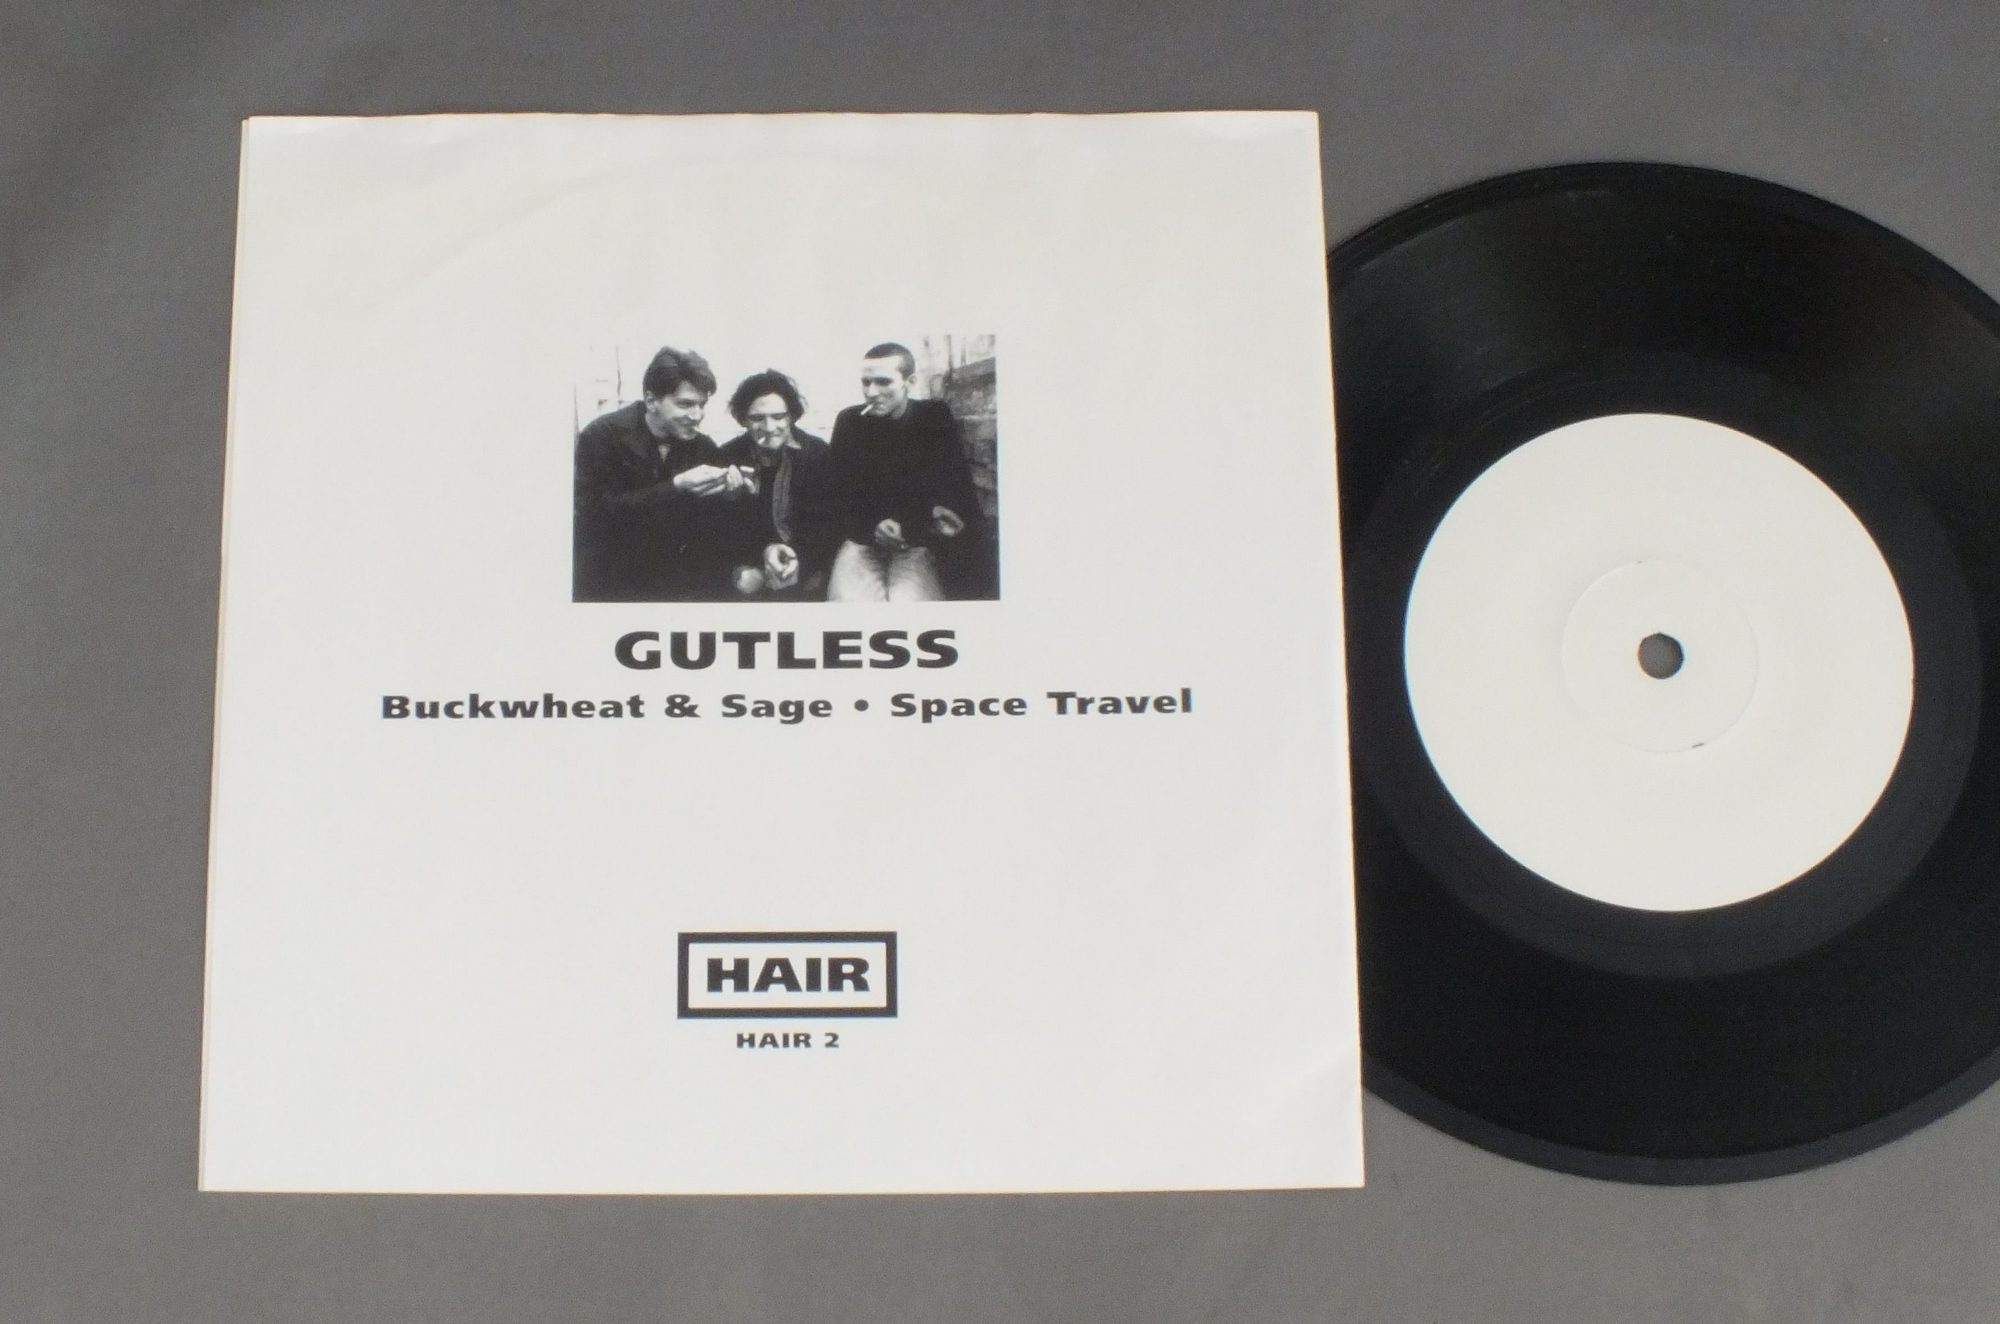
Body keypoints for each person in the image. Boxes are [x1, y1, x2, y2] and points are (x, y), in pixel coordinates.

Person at [572, 345, 750, 601]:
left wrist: (730, 492)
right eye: (686, 404)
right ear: (651, 400)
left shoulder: (703, 447)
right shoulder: (602, 436)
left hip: (675, 586)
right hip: (611, 584)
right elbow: (592, 517)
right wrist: (675, 486)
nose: (697, 415)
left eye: (702, 405)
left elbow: (711, 529)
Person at [825, 342, 983, 602]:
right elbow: (838, 494)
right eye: (866, 382)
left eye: (883, 382)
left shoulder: (932, 417)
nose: (871, 392)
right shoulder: (850, 422)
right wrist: (874, 525)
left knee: (910, 602)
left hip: (917, 541)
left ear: (909, 382)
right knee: (848, 604)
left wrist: (910, 525)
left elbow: (953, 490)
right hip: (863, 540)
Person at [714, 369, 841, 599]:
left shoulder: (816, 455)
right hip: (751, 563)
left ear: (791, 416)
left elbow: (828, 527)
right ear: (743, 420)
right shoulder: (728, 456)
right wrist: (749, 567)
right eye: (757, 418)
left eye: (778, 417)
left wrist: (798, 562)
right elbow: (721, 530)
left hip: (804, 563)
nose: (769, 427)